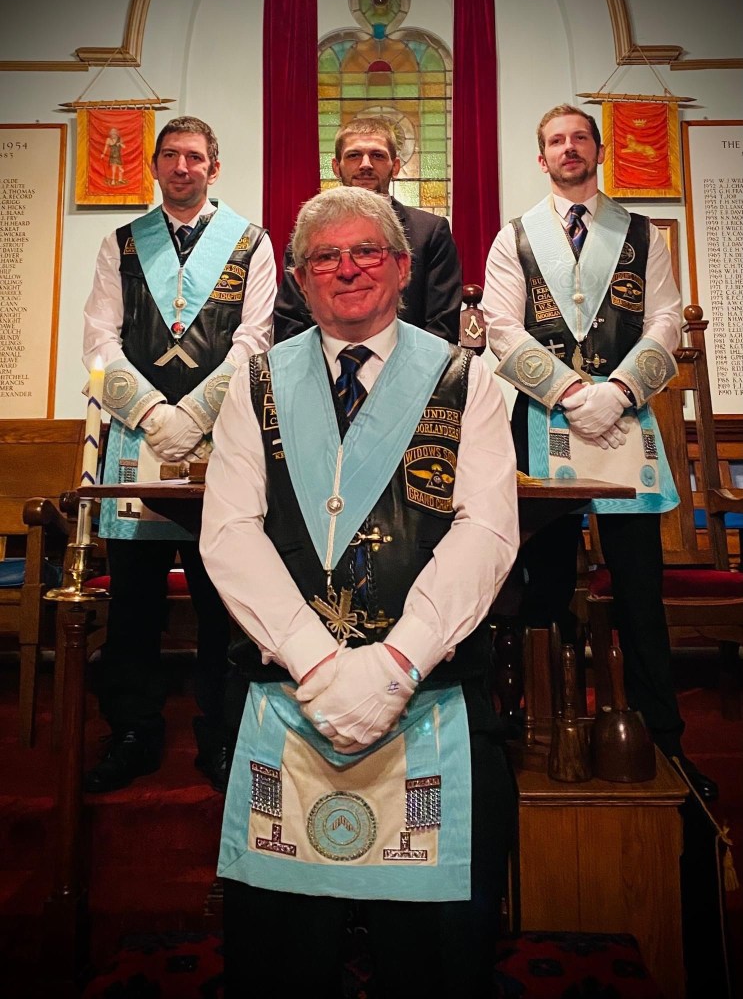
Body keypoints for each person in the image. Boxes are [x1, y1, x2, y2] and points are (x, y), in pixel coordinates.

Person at [200, 186, 519, 997]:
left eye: (365, 251)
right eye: (324, 258)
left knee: (436, 961)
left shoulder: (466, 379)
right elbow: (230, 533)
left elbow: (484, 533)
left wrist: (395, 665)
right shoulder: (255, 381)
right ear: (300, 281)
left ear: (402, 266)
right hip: (287, 701)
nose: (347, 270)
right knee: (282, 958)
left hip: (431, 698)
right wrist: (315, 664)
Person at [482, 102, 718, 802]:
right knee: (545, 587)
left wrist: (613, 393)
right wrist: (571, 395)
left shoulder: (642, 234)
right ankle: (538, 736)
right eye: (555, 140)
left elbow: (667, 318)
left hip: (626, 425)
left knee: (639, 591)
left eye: (579, 138)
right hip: (545, 427)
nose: (567, 149)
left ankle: (662, 739)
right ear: (541, 156)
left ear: (598, 149)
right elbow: (498, 325)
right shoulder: (513, 236)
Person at [82, 115, 276, 793]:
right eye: (171, 156)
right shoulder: (121, 244)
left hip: (219, 445)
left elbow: (256, 341)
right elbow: (100, 343)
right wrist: (153, 414)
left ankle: (220, 735)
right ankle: (133, 730)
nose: (183, 167)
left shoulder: (252, 243)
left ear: (213, 168)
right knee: (133, 601)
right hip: (138, 444)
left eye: (195, 157)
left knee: (219, 597)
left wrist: (193, 414)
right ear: (156, 167)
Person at [273, 116, 462, 344]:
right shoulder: (310, 234)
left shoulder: (430, 232)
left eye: (377, 155)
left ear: (395, 166)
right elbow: (290, 321)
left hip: (415, 371)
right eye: (354, 155)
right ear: (336, 166)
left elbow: (442, 324)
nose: (365, 164)